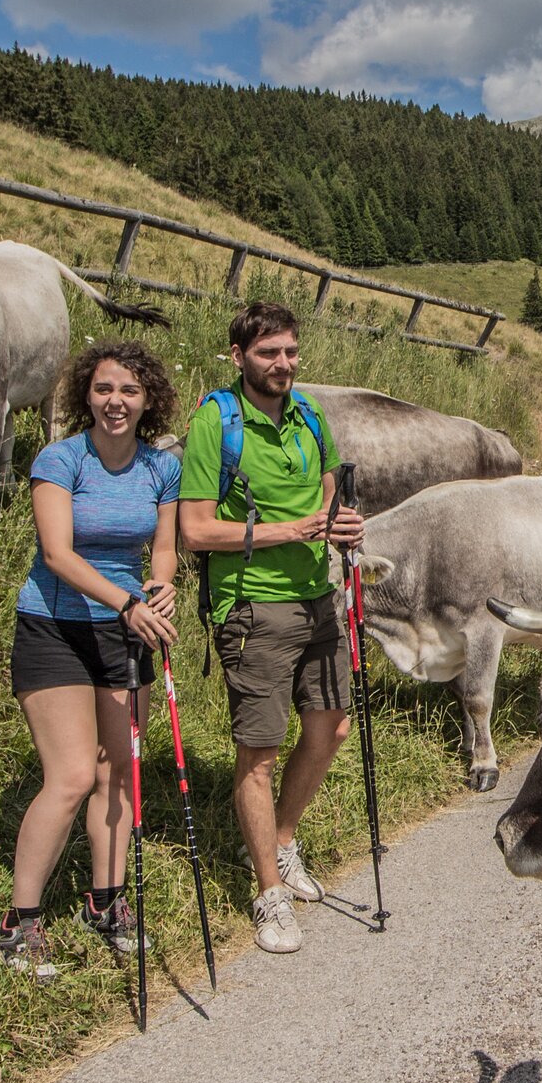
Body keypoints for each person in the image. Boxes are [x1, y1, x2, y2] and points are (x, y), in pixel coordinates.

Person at [178, 301, 364, 954]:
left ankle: (282, 841)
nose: (282, 364)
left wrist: (338, 521)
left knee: (332, 727)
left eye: (289, 351)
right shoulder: (216, 421)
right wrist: (291, 530)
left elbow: (330, 487)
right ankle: (268, 894)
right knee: (258, 752)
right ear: (239, 357)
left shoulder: (308, 412)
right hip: (253, 605)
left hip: (318, 597)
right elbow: (195, 529)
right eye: (267, 353)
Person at [0, 340, 180, 978]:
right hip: (55, 627)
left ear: (148, 399)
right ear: (87, 395)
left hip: (126, 630)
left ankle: (106, 902)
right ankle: (19, 922)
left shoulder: (161, 467)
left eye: (129, 390)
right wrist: (127, 602)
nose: (115, 401)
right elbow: (57, 554)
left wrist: (160, 587)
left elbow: (164, 547)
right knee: (73, 775)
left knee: (120, 772)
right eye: (104, 389)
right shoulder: (61, 459)